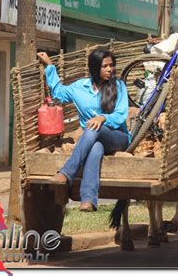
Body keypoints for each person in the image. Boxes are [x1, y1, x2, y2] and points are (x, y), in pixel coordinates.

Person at [38, 49, 130, 212]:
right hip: (94, 139)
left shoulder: (119, 86)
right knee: (95, 147)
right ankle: (88, 199)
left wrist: (103, 118)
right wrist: (49, 65)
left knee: (93, 127)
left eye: (111, 65)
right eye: (105, 66)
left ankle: (67, 173)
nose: (110, 69)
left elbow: (121, 115)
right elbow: (58, 92)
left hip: (118, 137)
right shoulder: (80, 87)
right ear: (95, 68)